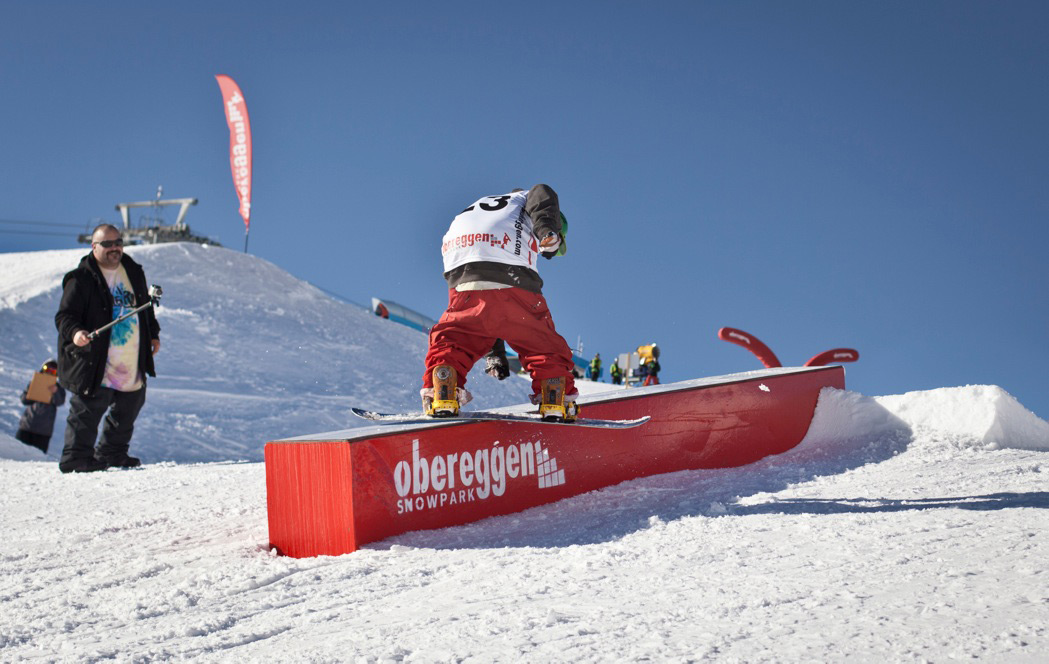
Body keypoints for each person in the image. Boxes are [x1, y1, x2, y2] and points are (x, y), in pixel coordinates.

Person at [422, 184, 579, 421]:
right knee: (540, 342)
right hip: (506, 262)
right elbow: (541, 191)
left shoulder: (496, 205)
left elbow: (489, 311)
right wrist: (548, 230)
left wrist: (495, 353)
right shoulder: (528, 198)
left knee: (458, 335)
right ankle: (554, 398)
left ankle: (444, 388)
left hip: (462, 265)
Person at [54, 224, 161, 473]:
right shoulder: (81, 278)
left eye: (118, 243)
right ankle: (76, 457)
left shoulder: (133, 272)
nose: (115, 248)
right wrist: (76, 333)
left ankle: (112, 452)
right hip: (96, 359)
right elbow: (65, 316)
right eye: (107, 244)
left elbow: (145, 308)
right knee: (87, 409)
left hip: (131, 358)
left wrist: (153, 334)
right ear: (94, 247)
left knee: (130, 405)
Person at [15, 360, 66, 453]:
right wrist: (33, 391)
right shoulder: (35, 382)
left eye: (53, 371)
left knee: (37, 456)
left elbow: (60, 402)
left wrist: (55, 392)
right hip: (27, 426)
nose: (49, 372)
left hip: (43, 431)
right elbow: (24, 400)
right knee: (17, 453)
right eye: (47, 369)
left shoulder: (58, 388)